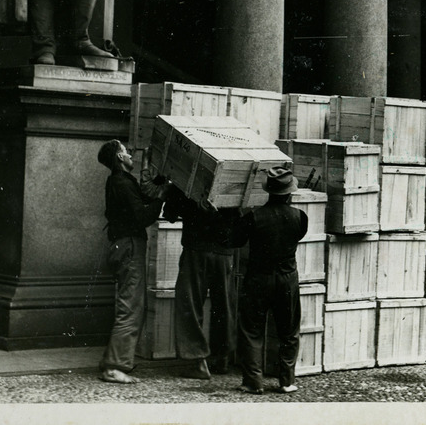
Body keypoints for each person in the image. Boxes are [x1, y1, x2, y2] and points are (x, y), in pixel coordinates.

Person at [232, 166, 308, 394]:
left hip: (258, 278)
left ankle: (253, 382)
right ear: (289, 193)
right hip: (287, 279)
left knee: (252, 330)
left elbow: (235, 240)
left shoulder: (253, 217)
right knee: (289, 331)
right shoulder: (300, 217)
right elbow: (298, 236)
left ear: (268, 191)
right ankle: (286, 381)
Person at [97, 140, 167, 384]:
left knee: (127, 303)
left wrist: (158, 184)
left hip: (121, 245)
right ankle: (114, 366)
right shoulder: (123, 183)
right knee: (130, 307)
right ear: (119, 156)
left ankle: (113, 360)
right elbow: (143, 216)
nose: (131, 155)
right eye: (126, 151)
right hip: (130, 247)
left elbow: (140, 197)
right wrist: (162, 197)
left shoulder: (117, 181)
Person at [162, 184, 241, 379]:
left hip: (196, 249)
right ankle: (221, 358)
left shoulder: (189, 175)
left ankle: (197, 361)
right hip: (224, 251)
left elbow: (170, 214)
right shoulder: (234, 172)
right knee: (224, 304)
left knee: (189, 302)